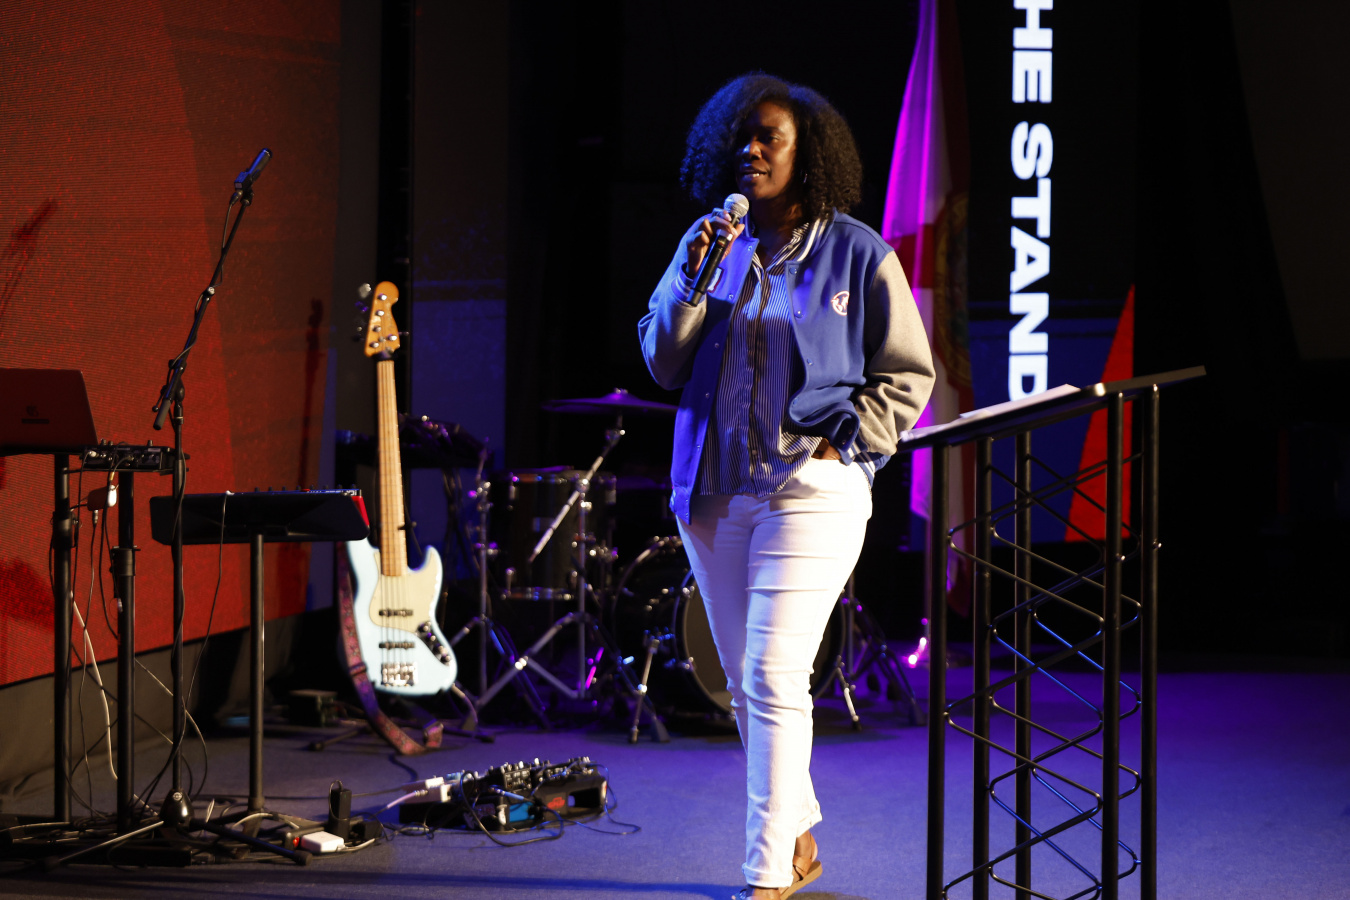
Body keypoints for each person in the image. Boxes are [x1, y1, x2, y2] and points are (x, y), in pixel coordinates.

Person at [638, 73, 935, 900]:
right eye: (741, 136)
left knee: (772, 675)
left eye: (769, 136)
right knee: (744, 683)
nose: (752, 149)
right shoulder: (710, 243)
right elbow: (662, 363)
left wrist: (852, 444)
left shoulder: (857, 252)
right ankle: (797, 831)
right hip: (712, 490)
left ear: (808, 153)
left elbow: (907, 373)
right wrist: (690, 281)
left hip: (811, 487)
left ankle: (766, 873)